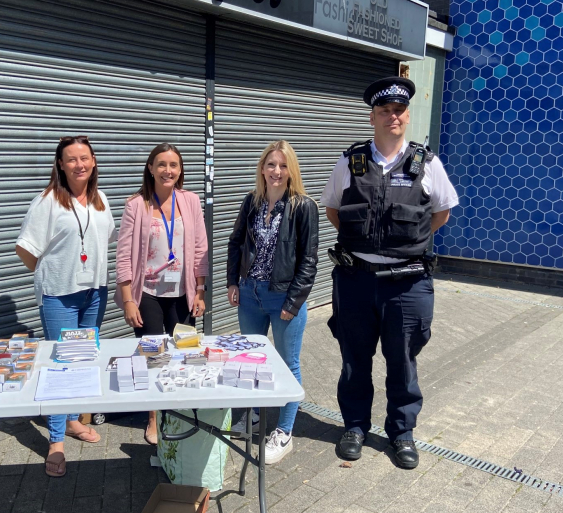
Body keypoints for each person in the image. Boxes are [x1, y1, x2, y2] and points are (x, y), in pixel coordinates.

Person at [321, 77, 459, 469]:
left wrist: (404, 245)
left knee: (402, 361)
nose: (392, 116)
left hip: (407, 283)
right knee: (354, 360)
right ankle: (354, 426)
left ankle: (401, 433)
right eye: (385, 110)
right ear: (372, 117)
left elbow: (441, 213)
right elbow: (333, 209)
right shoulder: (350, 162)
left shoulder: (427, 164)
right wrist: (368, 246)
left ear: (406, 116)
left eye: (399, 110)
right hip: (356, 281)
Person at [15, 135, 115, 478]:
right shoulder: (47, 201)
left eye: (84, 157)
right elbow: (25, 249)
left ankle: (72, 420)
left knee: (81, 362)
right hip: (60, 296)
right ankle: (56, 442)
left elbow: (105, 238)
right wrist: (49, 274)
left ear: (94, 161)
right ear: (60, 164)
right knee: (60, 367)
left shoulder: (100, 199)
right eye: (71, 159)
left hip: (94, 293)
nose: (79, 164)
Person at [226, 140, 319, 465]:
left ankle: (283, 431)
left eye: (282, 165)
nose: (276, 171)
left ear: (290, 170)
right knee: (250, 359)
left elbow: (309, 261)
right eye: (270, 164)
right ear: (262, 168)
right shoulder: (252, 202)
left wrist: (293, 302)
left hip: (284, 297)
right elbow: (235, 242)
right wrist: (232, 281)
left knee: (287, 362)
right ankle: (252, 412)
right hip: (250, 294)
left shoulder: (303, 206)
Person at [115, 142, 208, 444]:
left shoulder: (191, 201)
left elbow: (200, 250)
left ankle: (180, 411)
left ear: (180, 171)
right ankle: (154, 416)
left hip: (183, 293)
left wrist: (201, 291)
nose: (168, 170)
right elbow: (124, 255)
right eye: (162, 164)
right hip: (149, 294)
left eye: (174, 165)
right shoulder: (136, 205)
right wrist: (128, 299)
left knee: (183, 351)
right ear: (150, 168)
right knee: (154, 357)